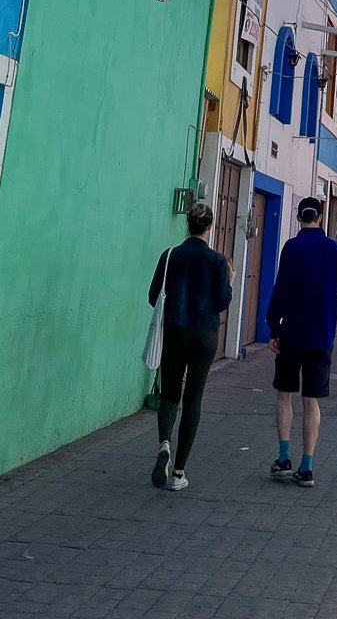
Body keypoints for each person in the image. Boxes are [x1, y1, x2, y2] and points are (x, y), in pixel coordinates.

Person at [267, 197, 337, 488]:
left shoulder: (291, 248)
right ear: (320, 218)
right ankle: (307, 466)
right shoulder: (335, 250)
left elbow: (280, 289)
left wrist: (274, 328)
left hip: (291, 335)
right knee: (311, 401)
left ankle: (283, 457)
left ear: (299, 218)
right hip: (322, 336)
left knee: (284, 394)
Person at [148, 201, 233, 492]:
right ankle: (179, 473)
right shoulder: (218, 261)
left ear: (188, 223)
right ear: (210, 227)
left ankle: (164, 445)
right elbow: (222, 302)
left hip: (175, 332)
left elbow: (152, 296)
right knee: (193, 398)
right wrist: (230, 282)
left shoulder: (170, 256)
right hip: (205, 335)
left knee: (170, 394)